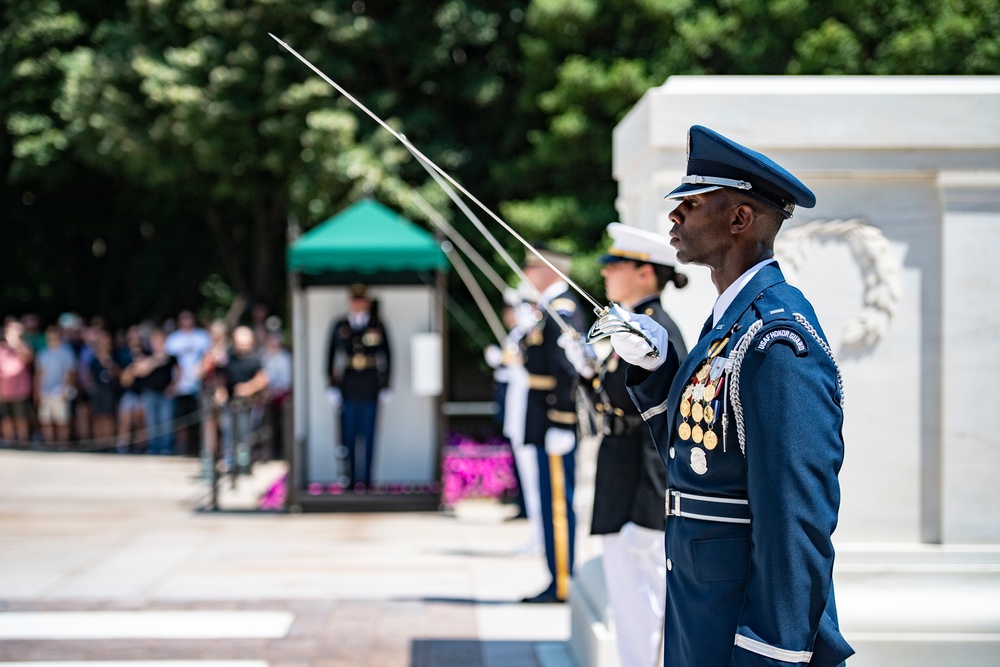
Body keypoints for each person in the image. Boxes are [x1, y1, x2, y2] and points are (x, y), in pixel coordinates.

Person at [604, 125, 853, 666]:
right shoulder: (728, 325)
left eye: (691, 204)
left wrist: (774, 650)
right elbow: (699, 449)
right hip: (702, 605)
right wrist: (657, 367)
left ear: (741, 219)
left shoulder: (775, 338)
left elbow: (795, 518)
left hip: (740, 625)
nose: (674, 216)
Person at [589, 222, 688, 667]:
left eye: (616, 264)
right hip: (620, 483)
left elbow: (662, 426)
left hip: (638, 493)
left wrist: (649, 510)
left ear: (645, 273)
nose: (606, 272)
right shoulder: (633, 328)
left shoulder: (655, 332)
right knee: (630, 612)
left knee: (643, 611)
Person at [518, 248, 588, 604]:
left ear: (549, 272)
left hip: (553, 421)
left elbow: (567, 370)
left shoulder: (562, 310)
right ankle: (556, 576)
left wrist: (562, 420)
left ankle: (562, 580)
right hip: (543, 419)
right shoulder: (547, 310)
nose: (527, 272)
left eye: (532, 266)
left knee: (558, 505)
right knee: (549, 503)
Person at [326, 284, 391, 490]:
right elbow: (329, 356)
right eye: (354, 300)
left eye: (361, 300)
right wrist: (332, 386)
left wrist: (387, 386)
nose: (357, 304)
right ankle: (351, 480)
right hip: (348, 387)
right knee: (349, 435)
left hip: (370, 387)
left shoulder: (377, 324)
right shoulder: (340, 325)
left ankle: (368, 480)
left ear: (366, 303)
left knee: (369, 435)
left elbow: (388, 355)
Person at [215, 326, 269, 473]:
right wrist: (220, 391)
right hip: (231, 402)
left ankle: (244, 465)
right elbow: (220, 377)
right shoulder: (228, 356)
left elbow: (262, 379)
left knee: (246, 434)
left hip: (249, 403)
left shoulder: (256, 358)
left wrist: (248, 388)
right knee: (228, 432)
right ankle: (229, 462)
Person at [123, 328, 178, 455]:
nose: (158, 343)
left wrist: (172, 387)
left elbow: (178, 373)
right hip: (150, 393)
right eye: (155, 340)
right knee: (151, 422)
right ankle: (154, 446)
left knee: (166, 421)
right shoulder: (146, 355)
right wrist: (156, 359)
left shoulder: (171, 357)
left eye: (160, 340)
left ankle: (166, 447)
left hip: (165, 394)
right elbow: (139, 371)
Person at [164, 310, 211, 456]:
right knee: (180, 421)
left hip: (198, 385)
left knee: (198, 419)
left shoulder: (201, 337)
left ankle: (198, 448)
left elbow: (207, 357)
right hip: (179, 386)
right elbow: (169, 362)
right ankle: (181, 448)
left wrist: (199, 373)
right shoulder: (173, 339)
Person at [34, 325, 77, 445]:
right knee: (46, 420)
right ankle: (50, 445)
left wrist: (65, 389)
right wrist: (37, 391)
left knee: (62, 421)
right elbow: (39, 374)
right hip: (45, 391)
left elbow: (70, 373)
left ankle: (62, 445)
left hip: (60, 391)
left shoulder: (66, 353)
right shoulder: (43, 353)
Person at [0, 320, 36, 445]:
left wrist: (16, 345)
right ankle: (9, 443)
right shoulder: (1, 348)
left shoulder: (24, 347)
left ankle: (23, 443)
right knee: (6, 419)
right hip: (4, 391)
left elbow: (29, 358)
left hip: (20, 391)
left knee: (21, 418)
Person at [260, 331, 292, 460]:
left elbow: (286, 381)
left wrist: (273, 391)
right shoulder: (264, 356)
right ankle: (267, 450)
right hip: (267, 396)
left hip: (280, 397)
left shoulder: (284, 358)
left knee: (279, 425)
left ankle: (280, 450)